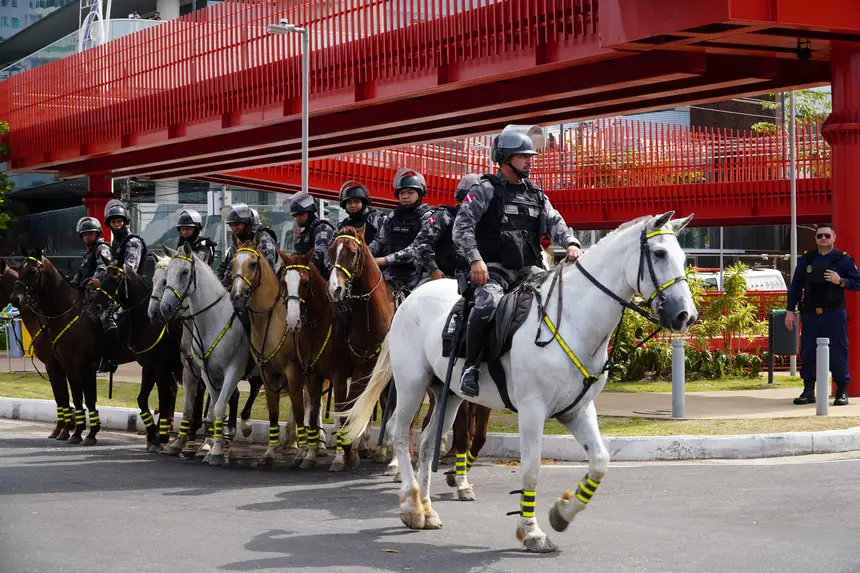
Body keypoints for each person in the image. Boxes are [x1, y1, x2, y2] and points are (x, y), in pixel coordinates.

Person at [452, 124, 582, 397]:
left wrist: (570, 242)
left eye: (530, 157)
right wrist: (475, 260)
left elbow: (555, 222)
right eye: (524, 157)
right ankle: (471, 368)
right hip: (494, 271)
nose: (529, 162)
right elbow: (461, 228)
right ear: (506, 159)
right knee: (486, 305)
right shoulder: (485, 188)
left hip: (530, 270)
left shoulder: (535, 193)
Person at [785, 224, 860, 406]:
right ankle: (808, 391)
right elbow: (795, 287)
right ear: (816, 239)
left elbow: (857, 283)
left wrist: (840, 281)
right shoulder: (807, 259)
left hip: (834, 313)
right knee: (808, 351)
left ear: (834, 237)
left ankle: (842, 391)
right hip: (811, 314)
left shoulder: (843, 259)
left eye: (827, 235)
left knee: (838, 350)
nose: (823, 238)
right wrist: (790, 311)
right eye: (820, 236)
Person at [92, 199, 148, 373]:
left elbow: (129, 269)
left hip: (133, 288)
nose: (117, 225)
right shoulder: (115, 243)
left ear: (124, 222)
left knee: (108, 317)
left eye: (119, 221)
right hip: (118, 287)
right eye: (114, 222)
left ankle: (112, 358)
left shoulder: (133, 242)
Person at [368, 168, 434, 295]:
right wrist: (365, 253)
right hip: (391, 273)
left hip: (417, 274)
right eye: (402, 193)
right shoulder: (393, 216)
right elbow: (379, 240)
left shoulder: (428, 217)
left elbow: (416, 249)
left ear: (420, 194)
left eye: (410, 192)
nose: (405, 196)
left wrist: (384, 260)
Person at [414, 173, 480, 282]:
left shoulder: (484, 223)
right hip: (439, 277)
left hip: (471, 280)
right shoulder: (443, 216)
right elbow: (421, 242)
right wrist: (433, 270)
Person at [216, 203, 278, 288]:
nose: (234, 228)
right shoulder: (237, 241)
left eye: (237, 224)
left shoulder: (264, 239)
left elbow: (268, 270)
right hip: (236, 286)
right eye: (232, 225)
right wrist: (218, 281)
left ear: (249, 223)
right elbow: (227, 263)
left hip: (260, 289)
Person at [287, 192, 334, 278]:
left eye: (300, 214)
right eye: (295, 215)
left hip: (324, 278)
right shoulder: (301, 235)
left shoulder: (323, 228)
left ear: (310, 212)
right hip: (305, 276)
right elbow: (294, 256)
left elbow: (320, 253)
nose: (297, 218)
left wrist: (301, 265)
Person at [337, 180, 387, 247]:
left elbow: (381, 240)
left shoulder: (376, 218)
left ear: (363, 203)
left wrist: (363, 253)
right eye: (349, 203)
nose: (353, 205)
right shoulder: (343, 225)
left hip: (376, 257)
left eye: (356, 201)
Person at [70, 216, 112, 291]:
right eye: (84, 234)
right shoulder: (90, 252)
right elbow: (82, 271)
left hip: (96, 290)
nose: (87, 237)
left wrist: (89, 285)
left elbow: (102, 269)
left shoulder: (102, 248)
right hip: (85, 290)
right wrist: (72, 284)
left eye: (90, 234)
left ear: (97, 234)